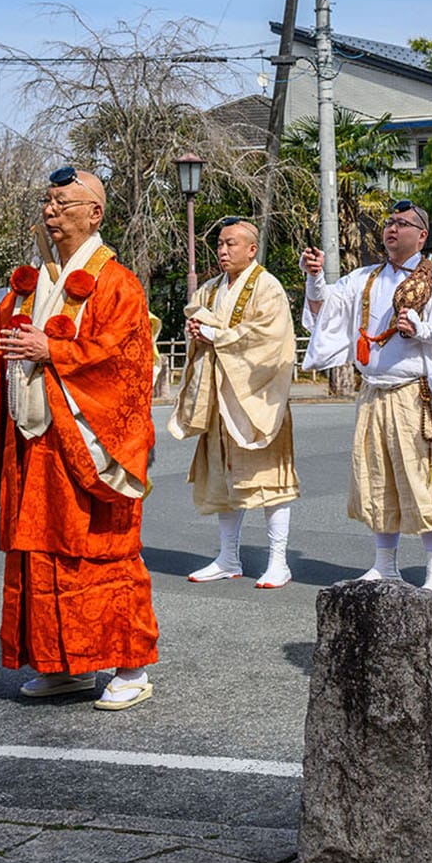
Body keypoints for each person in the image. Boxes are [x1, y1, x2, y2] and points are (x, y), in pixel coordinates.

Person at [0, 166, 158, 710]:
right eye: (47, 201)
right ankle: (61, 666)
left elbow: (125, 363)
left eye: (64, 202)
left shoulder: (117, 284)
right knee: (38, 555)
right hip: (31, 447)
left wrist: (55, 352)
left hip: (84, 449)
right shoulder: (29, 284)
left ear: (95, 213)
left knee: (99, 554)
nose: (50, 211)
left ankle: (130, 666)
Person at [300, 201, 432, 590]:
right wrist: (314, 278)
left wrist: (423, 329)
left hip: (417, 394)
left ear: (422, 235)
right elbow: (326, 314)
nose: (392, 229)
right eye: (390, 223)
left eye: (403, 224)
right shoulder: (364, 278)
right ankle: (384, 564)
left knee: (424, 479)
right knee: (377, 478)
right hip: (374, 392)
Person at [169, 218, 301, 588]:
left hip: (258, 401)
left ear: (252, 249)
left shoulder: (267, 286)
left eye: (231, 244)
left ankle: (279, 561)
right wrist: (200, 331)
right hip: (218, 398)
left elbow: (270, 339)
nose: (223, 251)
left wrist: (214, 333)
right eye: (220, 244)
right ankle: (228, 557)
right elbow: (195, 316)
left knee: (272, 481)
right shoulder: (211, 288)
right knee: (223, 482)